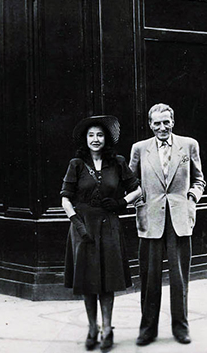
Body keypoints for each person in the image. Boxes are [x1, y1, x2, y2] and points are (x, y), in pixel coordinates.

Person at [61, 115, 142, 352]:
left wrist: (121, 202)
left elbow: (137, 189)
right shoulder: (75, 164)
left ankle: (107, 329)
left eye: (99, 135)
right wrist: (77, 223)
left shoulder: (117, 162)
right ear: (85, 139)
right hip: (83, 228)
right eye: (91, 135)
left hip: (109, 225)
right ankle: (92, 328)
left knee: (107, 281)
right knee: (88, 282)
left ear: (106, 139)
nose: (95, 139)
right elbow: (65, 198)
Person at [129, 103, 205, 346]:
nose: (162, 127)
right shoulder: (139, 149)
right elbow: (131, 183)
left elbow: (199, 180)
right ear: (150, 125)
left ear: (173, 122)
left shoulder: (189, 145)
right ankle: (147, 330)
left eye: (166, 122)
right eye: (157, 123)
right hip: (150, 220)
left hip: (179, 219)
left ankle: (181, 328)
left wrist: (192, 197)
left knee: (179, 277)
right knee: (149, 278)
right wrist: (140, 203)